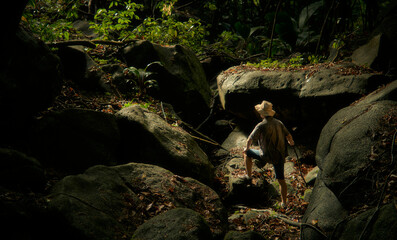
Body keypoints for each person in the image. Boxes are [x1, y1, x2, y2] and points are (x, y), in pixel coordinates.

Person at [243, 100, 294, 208]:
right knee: (281, 180)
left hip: (265, 155)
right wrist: (291, 142)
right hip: (279, 156)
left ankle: (248, 176)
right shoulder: (279, 123)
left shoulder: (260, 125)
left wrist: (246, 148)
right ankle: (284, 203)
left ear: (262, 114)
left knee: (247, 154)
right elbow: (288, 135)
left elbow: (249, 140)